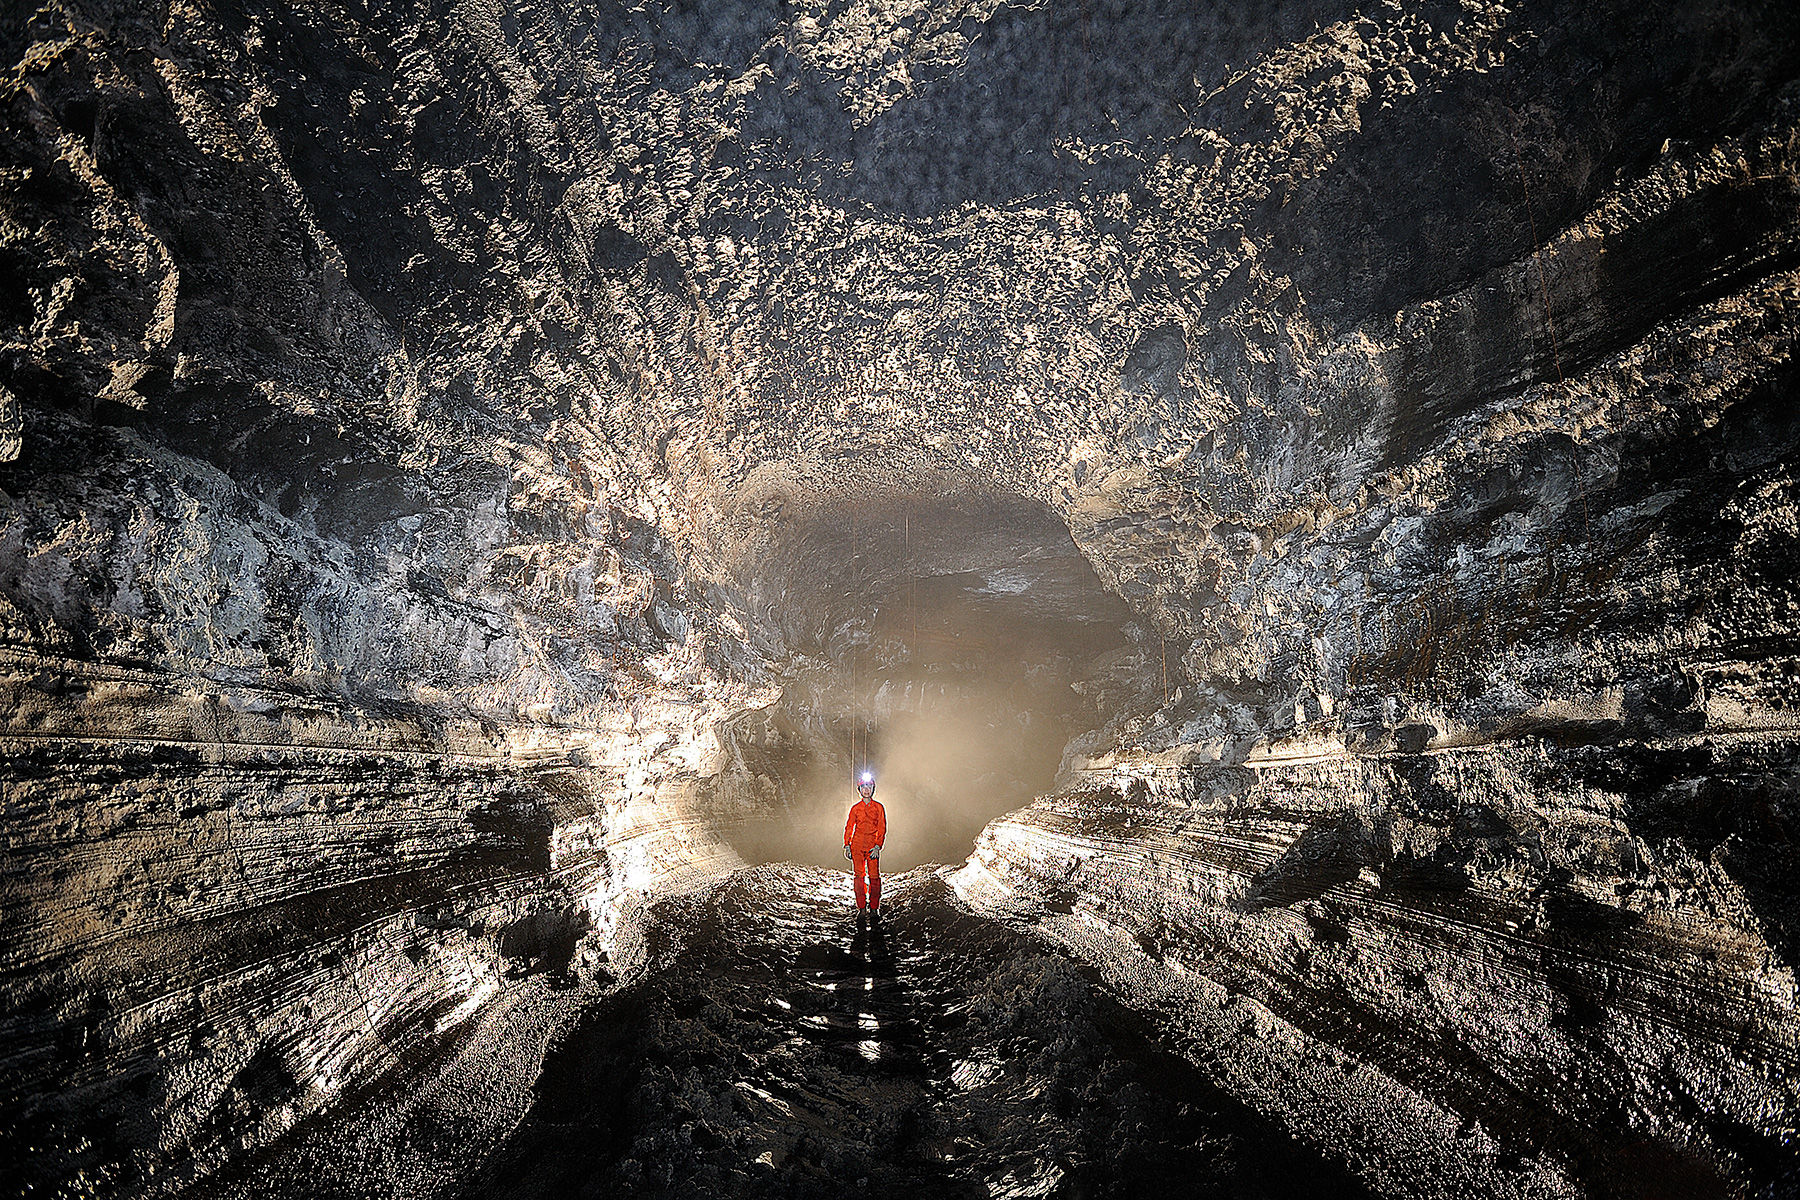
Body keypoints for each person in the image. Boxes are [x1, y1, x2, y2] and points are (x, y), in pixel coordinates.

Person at [843, 771, 886, 915]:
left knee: (874, 877)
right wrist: (847, 845)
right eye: (863, 787)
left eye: (869, 787)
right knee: (859, 876)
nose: (866, 790)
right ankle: (861, 907)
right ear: (859, 790)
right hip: (857, 845)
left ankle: (874, 907)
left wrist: (878, 846)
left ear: (873, 789)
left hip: (871, 846)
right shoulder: (855, 809)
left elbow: (882, 827)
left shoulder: (878, 808)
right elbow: (849, 826)